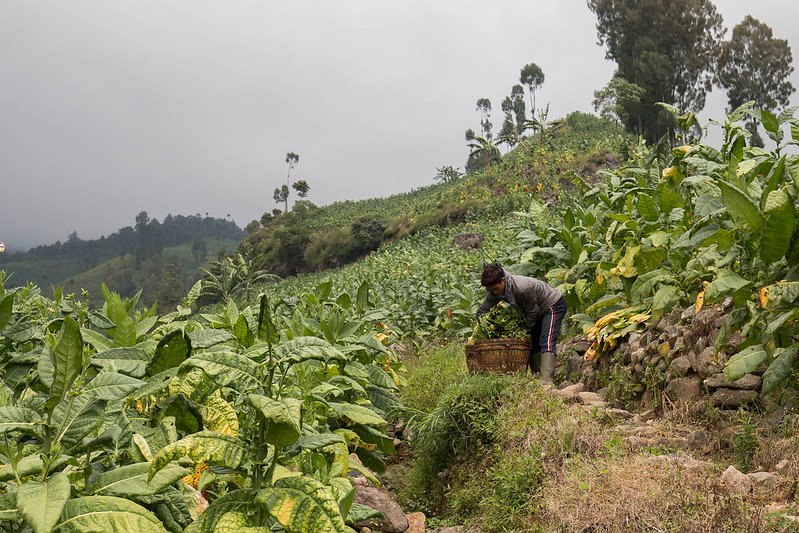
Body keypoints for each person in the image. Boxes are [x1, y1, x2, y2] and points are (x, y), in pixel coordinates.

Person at [476, 262, 567, 382]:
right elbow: (483, 310)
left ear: (503, 280)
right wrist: (479, 327)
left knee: (547, 340)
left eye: (496, 289)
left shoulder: (523, 287)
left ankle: (546, 381)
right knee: (533, 344)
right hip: (535, 310)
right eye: (490, 290)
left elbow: (533, 312)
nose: (494, 293)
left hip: (552, 304)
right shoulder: (495, 291)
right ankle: (537, 378)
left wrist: (526, 331)